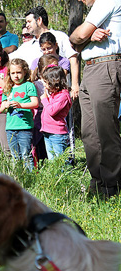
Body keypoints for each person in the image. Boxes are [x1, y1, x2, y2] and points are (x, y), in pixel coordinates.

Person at [70, 0, 121, 198]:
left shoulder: (107, 1)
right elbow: (73, 39)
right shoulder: (96, 10)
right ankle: (98, 181)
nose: (81, 0)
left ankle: (112, 186)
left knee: (106, 131)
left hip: (106, 66)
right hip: (90, 68)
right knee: (89, 133)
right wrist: (88, 36)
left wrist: (85, 36)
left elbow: (79, 35)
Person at [10, 6, 79, 98]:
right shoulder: (27, 45)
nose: (26, 25)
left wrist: (75, 85)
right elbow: (8, 58)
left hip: (58, 96)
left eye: (29, 21)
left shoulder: (60, 37)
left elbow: (73, 59)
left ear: (39, 20)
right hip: (36, 99)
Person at [0, 58, 38, 170]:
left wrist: (21, 105)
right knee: (15, 156)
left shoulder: (28, 86)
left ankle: (30, 177)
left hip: (24, 127)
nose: (16, 76)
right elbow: (1, 108)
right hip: (10, 127)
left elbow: (35, 103)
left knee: (26, 154)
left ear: (25, 72)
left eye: (18, 72)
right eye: (13, 73)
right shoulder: (8, 88)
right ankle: (17, 176)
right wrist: (6, 105)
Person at [40, 65, 72, 160]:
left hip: (57, 134)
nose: (45, 85)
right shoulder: (55, 94)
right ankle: (55, 175)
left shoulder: (63, 96)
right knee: (52, 159)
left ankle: (64, 174)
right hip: (48, 131)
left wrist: (45, 99)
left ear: (55, 82)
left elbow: (52, 111)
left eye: (46, 83)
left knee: (60, 160)